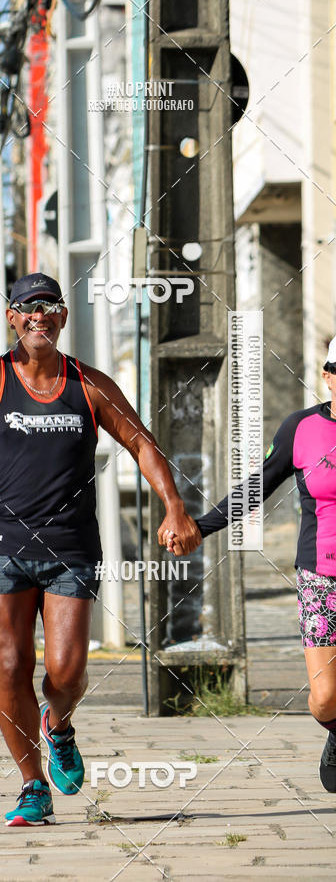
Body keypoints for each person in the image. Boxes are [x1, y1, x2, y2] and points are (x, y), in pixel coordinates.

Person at [0, 272, 201, 826]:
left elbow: (140, 442)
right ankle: (33, 786)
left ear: (62, 318)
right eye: (26, 308)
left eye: (49, 306)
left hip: (71, 547)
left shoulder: (89, 383)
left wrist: (173, 505)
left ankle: (58, 726)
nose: (39, 316)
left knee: (69, 672)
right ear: (11, 317)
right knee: (10, 666)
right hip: (1, 545)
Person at [166, 333, 336, 794]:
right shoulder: (301, 429)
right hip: (322, 579)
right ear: (327, 376)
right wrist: (201, 526)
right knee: (323, 702)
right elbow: (256, 487)